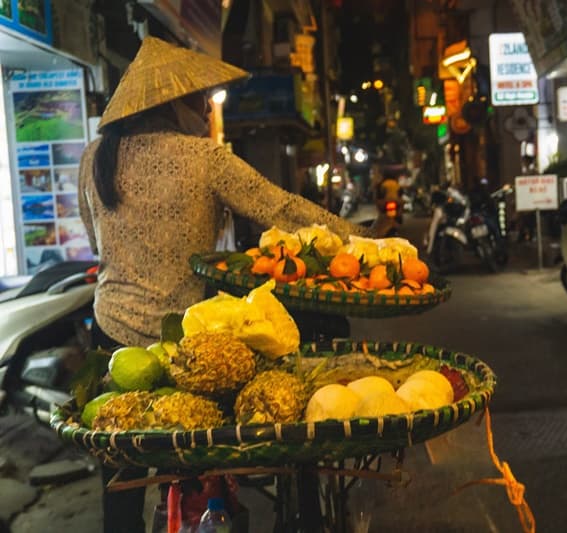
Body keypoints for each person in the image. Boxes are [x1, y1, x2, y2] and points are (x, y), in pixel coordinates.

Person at [78, 36, 367, 533]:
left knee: (120, 488)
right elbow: (280, 209)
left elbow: (94, 241)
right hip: (188, 347)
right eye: (199, 100)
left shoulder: (94, 158)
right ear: (176, 104)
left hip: (112, 340)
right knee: (206, 466)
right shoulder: (202, 157)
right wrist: (360, 238)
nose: (204, 109)